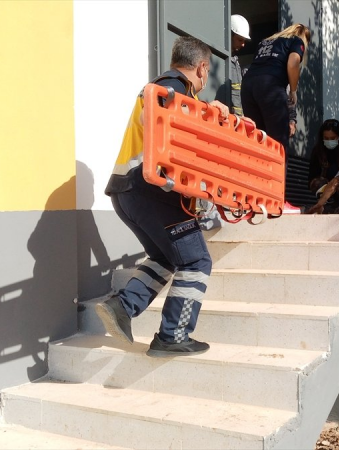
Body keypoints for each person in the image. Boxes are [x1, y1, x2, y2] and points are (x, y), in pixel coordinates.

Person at [99, 36, 229, 357]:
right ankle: (173, 335)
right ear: (201, 67)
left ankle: (123, 307)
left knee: (165, 258)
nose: (204, 81)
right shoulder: (174, 90)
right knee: (196, 260)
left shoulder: (157, 86)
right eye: (206, 72)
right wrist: (209, 114)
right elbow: (171, 131)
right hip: (151, 191)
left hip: (125, 192)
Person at [241, 24, 310, 213]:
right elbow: (293, 63)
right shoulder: (296, 41)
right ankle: (278, 201)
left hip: (248, 87)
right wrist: (293, 91)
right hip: (270, 86)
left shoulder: (266, 42)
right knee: (279, 145)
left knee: (258, 144)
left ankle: (256, 198)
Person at [228, 14, 250, 116]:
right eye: (240, 40)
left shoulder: (235, 62)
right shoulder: (227, 62)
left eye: (244, 41)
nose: (243, 44)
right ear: (229, 35)